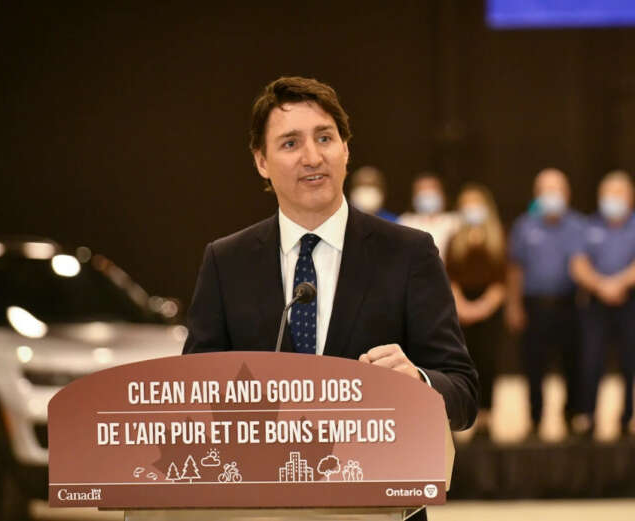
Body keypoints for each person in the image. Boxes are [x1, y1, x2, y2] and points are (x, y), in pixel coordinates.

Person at [182, 76, 479, 434]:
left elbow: (463, 394)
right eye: (291, 143)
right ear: (262, 161)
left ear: (346, 150)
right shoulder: (226, 262)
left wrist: (418, 381)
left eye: (325, 138)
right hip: (261, 484)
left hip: (374, 481)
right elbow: (193, 395)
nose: (312, 157)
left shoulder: (409, 254)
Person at [570, 171, 635, 437]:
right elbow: (578, 264)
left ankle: (629, 417)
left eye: (619, 194)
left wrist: (619, 283)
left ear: (631, 197)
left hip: (631, 301)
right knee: (592, 359)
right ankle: (588, 416)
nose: (613, 199)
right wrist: (601, 285)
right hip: (596, 303)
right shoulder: (589, 226)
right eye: (609, 193)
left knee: (630, 360)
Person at [505, 168, 585, 438]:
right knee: (534, 365)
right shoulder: (524, 226)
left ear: (567, 193)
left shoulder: (578, 226)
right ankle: (535, 419)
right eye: (546, 190)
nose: (552, 195)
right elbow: (515, 269)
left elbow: (584, 267)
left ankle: (572, 416)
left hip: (569, 304)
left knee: (572, 363)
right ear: (537, 195)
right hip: (534, 305)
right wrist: (513, 305)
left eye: (557, 189)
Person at [445, 184, 507, 438]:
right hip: (461, 309)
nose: (472, 209)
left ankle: (487, 417)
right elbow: (449, 276)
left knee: (488, 362)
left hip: (490, 308)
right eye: (467, 204)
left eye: (476, 204)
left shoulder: (498, 237)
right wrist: (463, 307)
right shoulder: (454, 238)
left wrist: (483, 307)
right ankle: (464, 417)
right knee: (463, 363)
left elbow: (502, 278)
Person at [398, 172, 460, 261]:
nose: (427, 194)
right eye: (422, 190)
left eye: (432, 189)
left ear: (442, 194)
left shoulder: (455, 221)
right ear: (414, 196)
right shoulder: (405, 222)